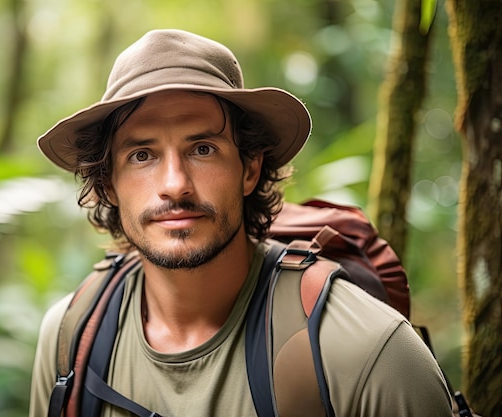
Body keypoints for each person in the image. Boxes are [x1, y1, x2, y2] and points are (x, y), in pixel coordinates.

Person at [29, 29, 453, 417]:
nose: (175, 185)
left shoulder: (368, 352)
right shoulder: (70, 340)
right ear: (108, 184)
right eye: (142, 155)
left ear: (250, 168)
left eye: (203, 149)